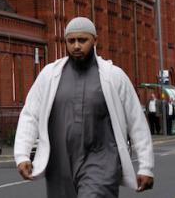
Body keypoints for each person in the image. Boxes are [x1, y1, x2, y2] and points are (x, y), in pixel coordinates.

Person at [14, 17, 154, 196]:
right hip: (59, 165)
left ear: (95, 40)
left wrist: (146, 166)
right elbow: (30, 115)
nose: (76, 46)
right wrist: (22, 155)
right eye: (71, 41)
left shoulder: (113, 76)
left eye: (82, 40)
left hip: (102, 163)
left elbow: (136, 121)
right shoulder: (49, 75)